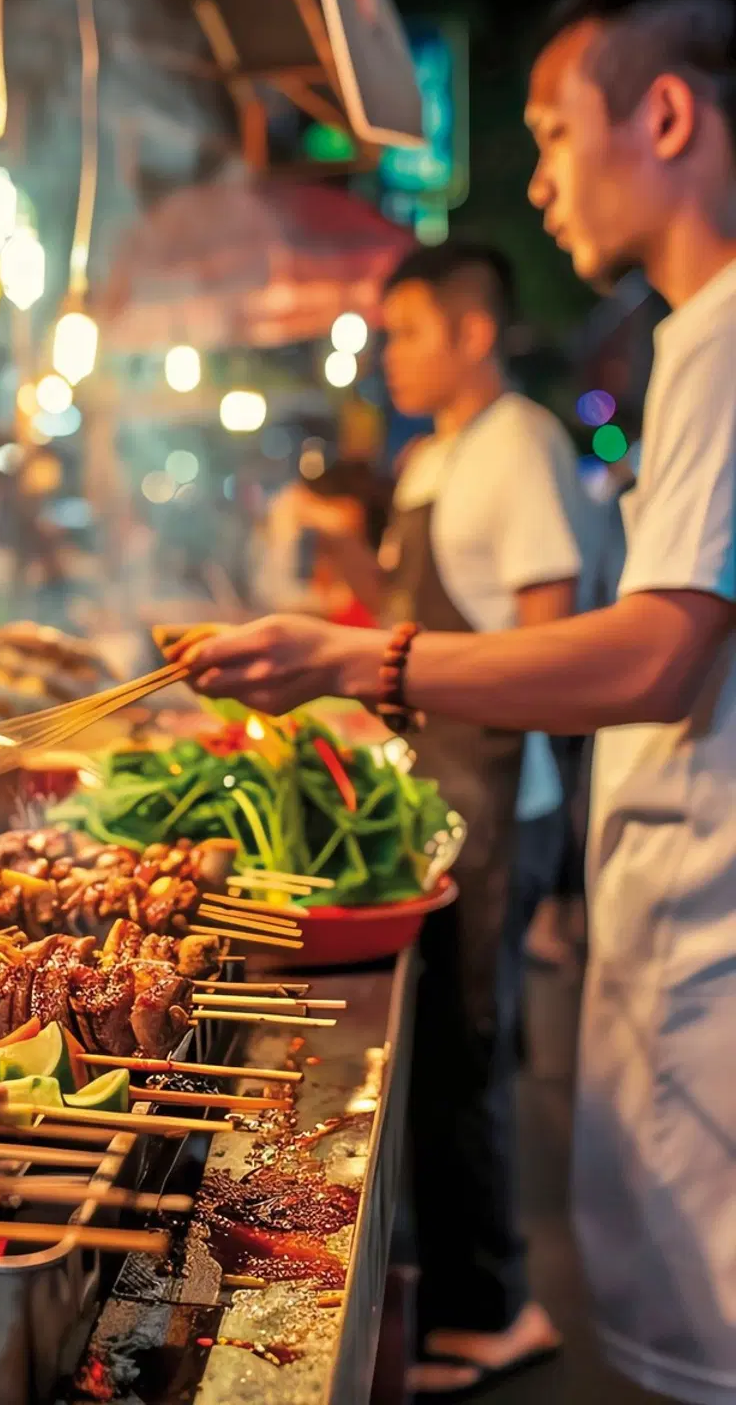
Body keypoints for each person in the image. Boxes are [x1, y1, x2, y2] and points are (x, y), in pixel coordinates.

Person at [172, 0, 736, 1397]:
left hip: (614, 862)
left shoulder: (713, 344)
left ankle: (494, 1309)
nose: (538, 179)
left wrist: (356, 658)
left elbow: (649, 651)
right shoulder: (689, 345)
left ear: (664, 114)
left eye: (552, 131)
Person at [286, 243, 583, 1396]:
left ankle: (497, 1306)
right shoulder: (436, 456)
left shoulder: (520, 447)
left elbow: (547, 649)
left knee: (470, 1052)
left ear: (470, 329)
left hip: (500, 795)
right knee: (443, 1052)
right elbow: (408, 618)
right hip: (435, 792)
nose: (387, 354)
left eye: (404, 331)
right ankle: (457, 1287)